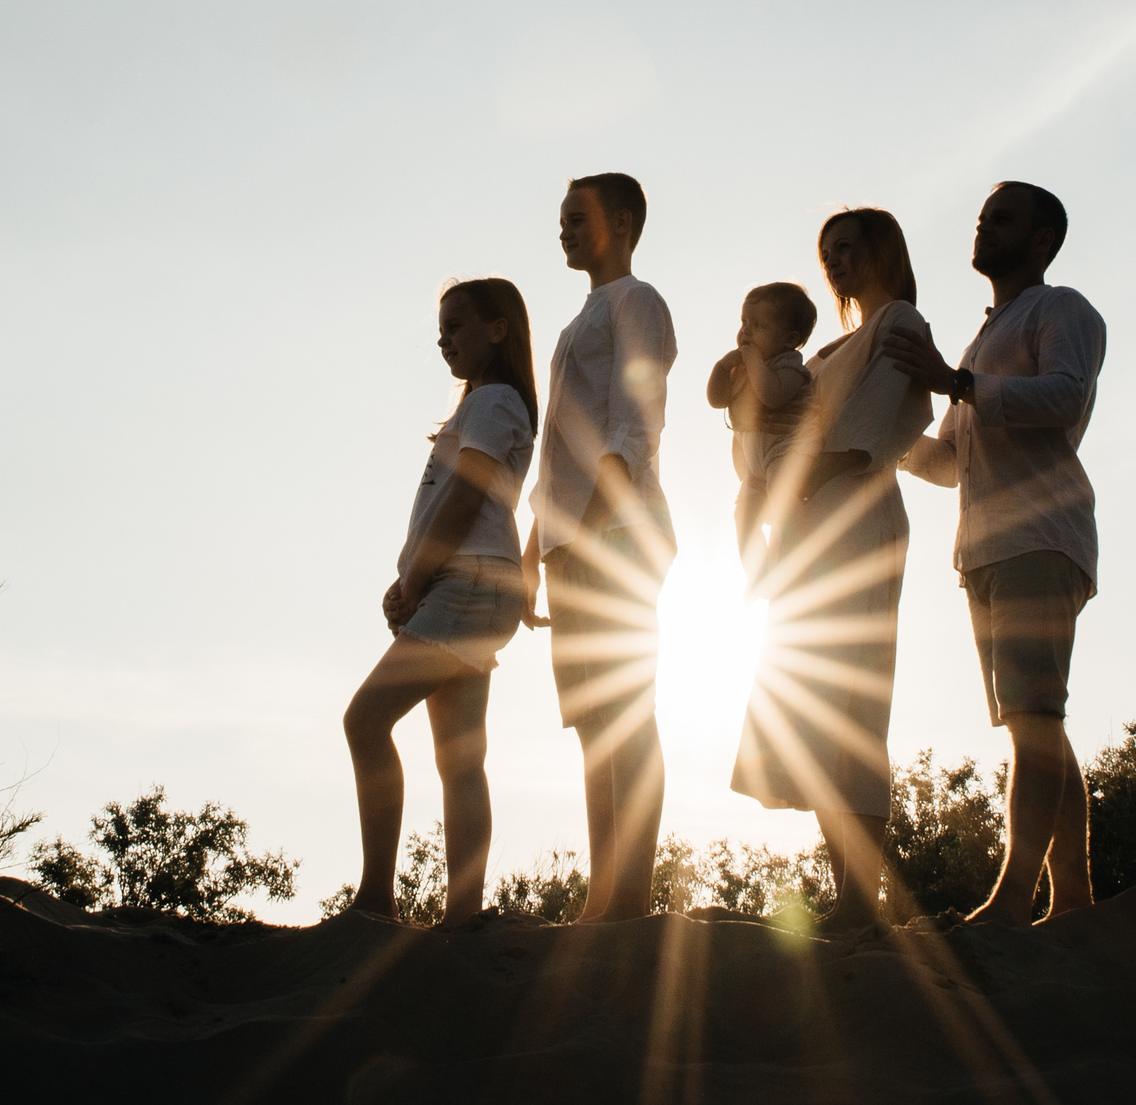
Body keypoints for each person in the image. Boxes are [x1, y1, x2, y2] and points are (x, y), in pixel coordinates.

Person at [887, 181, 1106, 927]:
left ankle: (1014, 897)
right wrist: (879, 442)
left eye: (1002, 218)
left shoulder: (1062, 309)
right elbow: (950, 461)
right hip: (983, 549)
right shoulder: (981, 342)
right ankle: (1073, 897)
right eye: (982, 217)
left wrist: (956, 381)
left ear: (1043, 239)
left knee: (1032, 715)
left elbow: (1065, 397)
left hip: (1039, 536)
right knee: (1034, 718)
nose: (983, 227)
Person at [731, 208, 937, 932]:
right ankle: (846, 886)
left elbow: (864, 441)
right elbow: (762, 427)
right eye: (828, 251)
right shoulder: (824, 353)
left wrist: (784, 476)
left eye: (849, 247)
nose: (837, 260)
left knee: (851, 709)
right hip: (806, 537)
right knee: (807, 708)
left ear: (883, 250)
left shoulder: (899, 324)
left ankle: (863, 898)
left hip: (856, 524)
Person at [341, 277, 539, 926]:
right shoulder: (482, 405)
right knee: (460, 757)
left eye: (456, 324)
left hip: (468, 586)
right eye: (442, 327)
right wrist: (412, 578)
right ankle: (463, 914)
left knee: (365, 721)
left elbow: (461, 503)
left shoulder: (493, 401)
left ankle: (376, 897)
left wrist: (415, 581)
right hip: (476, 589)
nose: (443, 337)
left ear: (497, 328)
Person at [518, 173, 677, 924]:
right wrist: (534, 553)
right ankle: (602, 892)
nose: (564, 230)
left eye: (575, 217)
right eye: (559, 220)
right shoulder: (577, 318)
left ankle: (630, 895)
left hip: (613, 531)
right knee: (590, 720)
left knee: (625, 711)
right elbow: (558, 451)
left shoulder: (635, 301)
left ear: (620, 220)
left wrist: (601, 525)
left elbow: (634, 419)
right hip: (568, 539)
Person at [703, 282, 817, 591]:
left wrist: (752, 362)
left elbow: (772, 396)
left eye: (758, 326)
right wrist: (722, 367)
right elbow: (716, 399)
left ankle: (795, 561)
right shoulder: (740, 369)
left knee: (786, 508)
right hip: (754, 467)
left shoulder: (792, 367)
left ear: (789, 339)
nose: (746, 333)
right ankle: (760, 572)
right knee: (744, 516)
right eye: (744, 323)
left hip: (785, 453)